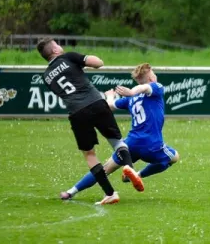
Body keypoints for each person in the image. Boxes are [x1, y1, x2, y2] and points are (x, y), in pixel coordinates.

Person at [36, 37, 144, 205]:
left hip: (77, 112)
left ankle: (110, 193)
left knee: (90, 154)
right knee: (117, 142)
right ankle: (129, 166)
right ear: (55, 51)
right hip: (96, 103)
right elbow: (98, 63)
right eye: (58, 45)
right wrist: (85, 60)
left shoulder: (46, 76)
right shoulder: (69, 57)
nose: (61, 46)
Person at [60, 63, 180, 200]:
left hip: (131, 144)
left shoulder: (130, 99)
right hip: (151, 144)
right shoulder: (157, 88)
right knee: (174, 157)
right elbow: (143, 87)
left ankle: (71, 191)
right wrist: (132, 91)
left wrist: (110, 96)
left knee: (104, 169)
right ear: (151, 78)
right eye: (154, 74)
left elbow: (110, 106)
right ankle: (137, 175)